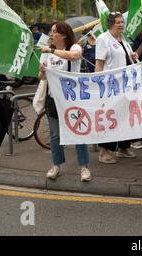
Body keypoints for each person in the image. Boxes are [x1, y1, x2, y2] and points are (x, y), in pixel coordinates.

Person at [39, 22, 92, 182]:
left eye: (54, 31)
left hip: (71, 100)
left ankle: (84, 168)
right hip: (53, 99)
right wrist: (42, 71)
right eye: (51, 31)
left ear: (63, 34)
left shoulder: (74, 47)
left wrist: (52, 50)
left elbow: (74, 57)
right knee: (55, 135)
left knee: (78, 133)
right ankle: (56, 165)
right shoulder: (46, 53)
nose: (51, 34)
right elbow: (42, 78)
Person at [95, 12, 138, 164]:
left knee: (125, 116)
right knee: (110, 117)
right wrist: (98, 84)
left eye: (122, 22)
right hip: (110, 86)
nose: (121, 24)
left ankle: (123, 148)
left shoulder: (123, 39)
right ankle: (103, 150)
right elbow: (99, 63)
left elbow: (125, 59)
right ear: (110, 24)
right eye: (118, 22)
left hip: (127, 86)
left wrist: (131, 57)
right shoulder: (103, 39)